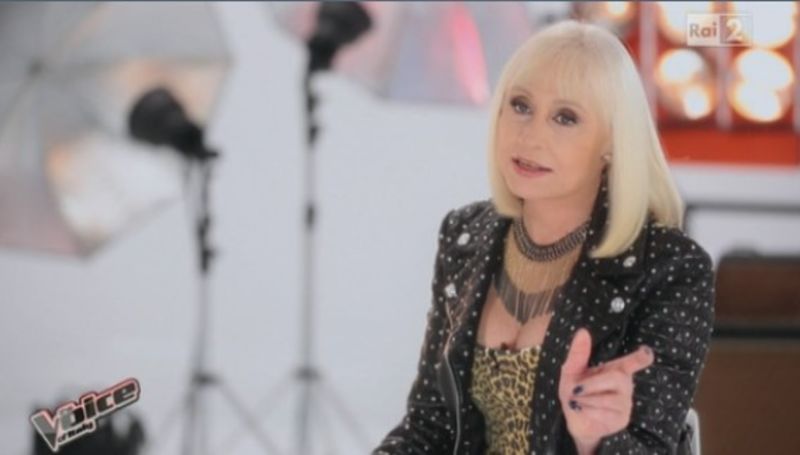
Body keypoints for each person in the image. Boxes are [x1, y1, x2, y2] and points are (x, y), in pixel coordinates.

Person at [372, 19, 715, 455]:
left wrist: (595, 438)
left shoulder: (670, 267)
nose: (530, 135)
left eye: (565, 117)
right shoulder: (465, 236)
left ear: (613, 140)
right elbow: (430, 426)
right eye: (520, 106)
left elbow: (651, 447)